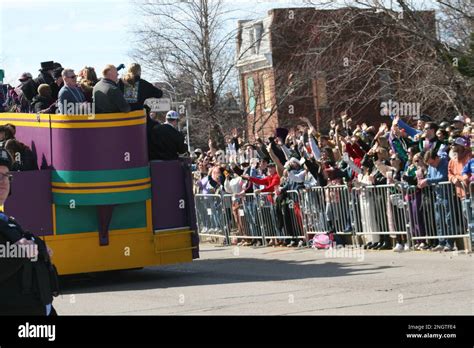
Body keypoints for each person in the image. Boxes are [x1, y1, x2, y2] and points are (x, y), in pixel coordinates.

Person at [0, 148, 59, 315]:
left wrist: (37, 246)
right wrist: (21, 251)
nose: (4, 182)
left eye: (7, 176)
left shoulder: (7, 221)